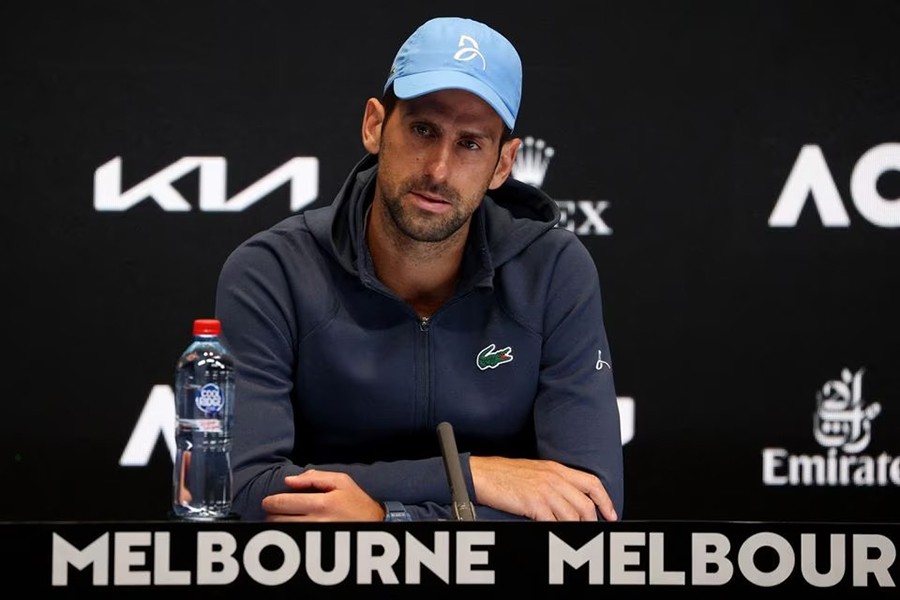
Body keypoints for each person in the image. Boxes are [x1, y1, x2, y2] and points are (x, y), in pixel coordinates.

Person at [215, 16, 624, 522]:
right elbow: (241, 491)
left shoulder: (554, 271)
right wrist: (476, 477)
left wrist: (386, 518)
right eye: (423, 129)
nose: (438, 170)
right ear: (374, 125)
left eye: (470, 143)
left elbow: (590, 504)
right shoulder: (272, 271)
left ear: (503, 164)